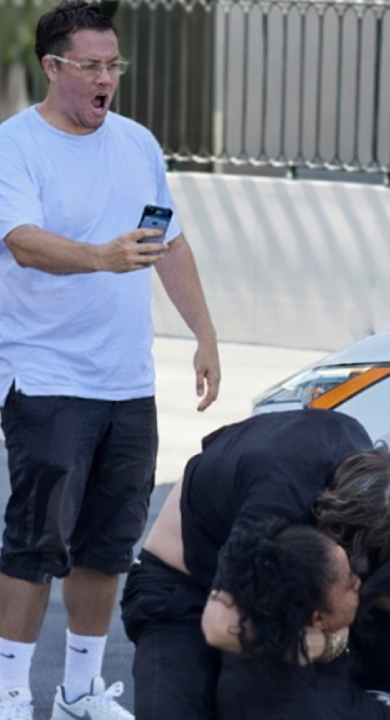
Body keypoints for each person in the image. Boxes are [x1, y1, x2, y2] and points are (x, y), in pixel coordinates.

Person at [0, 3, 220, 718]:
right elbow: (23, 241)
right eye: (91, 65)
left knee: (107, 546)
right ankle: (9, 696)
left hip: (127, 383)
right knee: (36, 542)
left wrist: (204, 334)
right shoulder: (17, 146)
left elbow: (170, 244)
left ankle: (79, 693)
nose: (106, 78)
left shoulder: (137, 144)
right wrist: (100, 256)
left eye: (113, 65)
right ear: (54, 66)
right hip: (47, 378)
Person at [120, 409, 390, 720]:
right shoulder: (279, 498)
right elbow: (219, 624)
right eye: (350, 566)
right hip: (184, 589)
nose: (356, 579)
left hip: (283, 600)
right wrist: (329, 642)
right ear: (327, 514)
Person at [206, 518, 390, 720]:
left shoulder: (251, 636)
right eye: (350, 583)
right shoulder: (323, 706)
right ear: (317, 620)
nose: (359, 582)